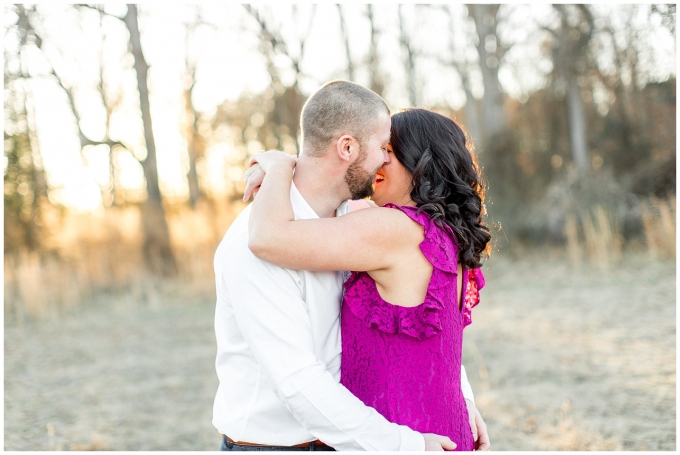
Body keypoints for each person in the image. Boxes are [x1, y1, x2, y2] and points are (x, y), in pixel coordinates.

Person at [213, 80, 486, 451]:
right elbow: (297, 381)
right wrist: (407, 442)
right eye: (382, 148)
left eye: (392, 150)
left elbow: (434, 337)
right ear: (347, 148)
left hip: (355, 438)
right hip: (279, 446)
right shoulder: (253, 239)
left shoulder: (361, 224)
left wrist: (459, 396)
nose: (384, 160)